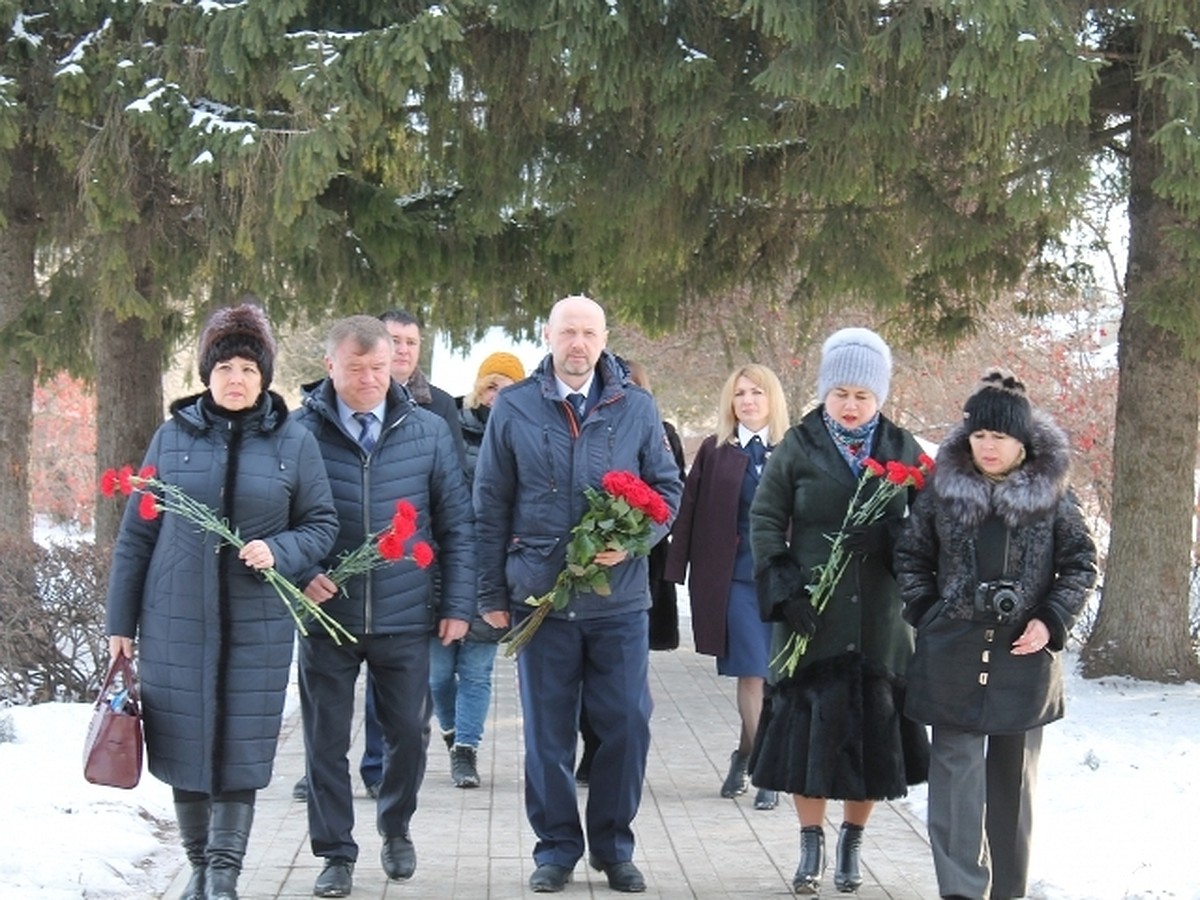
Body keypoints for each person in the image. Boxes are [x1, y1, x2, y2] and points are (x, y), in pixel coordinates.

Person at [105, 303, 339, 900]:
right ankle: (199, 868)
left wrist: (279, 550)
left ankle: (224, 876)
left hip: (257, 623)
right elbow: (138, 534)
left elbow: (320, 524)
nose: (236, 379)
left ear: (265, 377)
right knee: (183, 744)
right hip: (175, 619)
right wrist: (120, 623)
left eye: (249, 369)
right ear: (208, 372)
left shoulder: (293, 440)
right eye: (225, 366)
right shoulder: (172, 436)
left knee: (240, 746)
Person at [473, 295, 683, 894]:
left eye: (589, 333)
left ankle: (614, 846)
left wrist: (637, 538)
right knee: (547, 731)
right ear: (549, 336)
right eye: (568, 332)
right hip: (542, 601)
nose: (578, 343)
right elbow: (488, 504)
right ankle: (557, 848)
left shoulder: (636, 408)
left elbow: (667, 490)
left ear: (603, 338)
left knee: (627, 723)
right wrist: (490, 591)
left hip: (618, 601)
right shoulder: (514, 408)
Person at [894, 369, 1097, 900]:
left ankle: (1008, 891)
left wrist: (1050, 619)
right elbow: (911, 556)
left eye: (1000, 436)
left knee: (1012, 788)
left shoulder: (1053, 494)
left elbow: (1080, 564)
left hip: (1023, 658)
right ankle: (961, 891)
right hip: (952, 652)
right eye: (980, 434)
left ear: (1022, 441)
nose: (988, 445)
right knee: (956, 785)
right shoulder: (941, 490)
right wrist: (928, 612)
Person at [293, 315, 475, 898]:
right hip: (328, 618)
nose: (370, 378)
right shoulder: (299, 433)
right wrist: (303, 573)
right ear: (330, 366)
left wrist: (457, 602)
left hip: (404, 614)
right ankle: (336, 854)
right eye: (356, 368)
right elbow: (277, 520)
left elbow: (456, 523)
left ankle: (396, 826)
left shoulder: (426, 430)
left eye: (378, 367)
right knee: (325, 741)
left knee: (409, 733)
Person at [749, 327, 930, 895]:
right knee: (809, 736)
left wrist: (890, 538)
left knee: (871, 737)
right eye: (841, 394)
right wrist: (786, 593)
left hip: (879, 621)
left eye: (863, 396)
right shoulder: (798, 446)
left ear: (880, 398)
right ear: (825, 392)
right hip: (812, 617)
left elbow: (932, 528)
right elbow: (764, 521)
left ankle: (852, 844)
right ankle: (811, 844)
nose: (851, 406)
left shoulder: (905, 450)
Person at [665, 363, 789, 812]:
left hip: (784, 582)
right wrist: (674, 571)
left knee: (778, 676)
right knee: (753, 671)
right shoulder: (716, 452)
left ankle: (743, 755)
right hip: (733, 578)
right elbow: (690, 510)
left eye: (757, 392)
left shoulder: (793, 449)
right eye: (740, 394)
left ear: (772, 398)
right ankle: (767, 770)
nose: (749, 401)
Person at [575, 359, 687, 786]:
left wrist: (638, 535)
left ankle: (614, 751)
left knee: (627, 685)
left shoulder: (660, 431)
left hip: (642, 561)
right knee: (589, 677)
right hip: (596, 556)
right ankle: (593, 749)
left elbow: (668, 491)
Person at [431, 350, 526, 788]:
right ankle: (451, 733)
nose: (497, 395)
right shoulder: (448, 424)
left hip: (493, 567)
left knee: (475, 670)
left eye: (508, 388)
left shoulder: (524, 435)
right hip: (444, 563)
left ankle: (466, 750)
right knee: (436, 673)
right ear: (478, 387)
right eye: (491, 385)